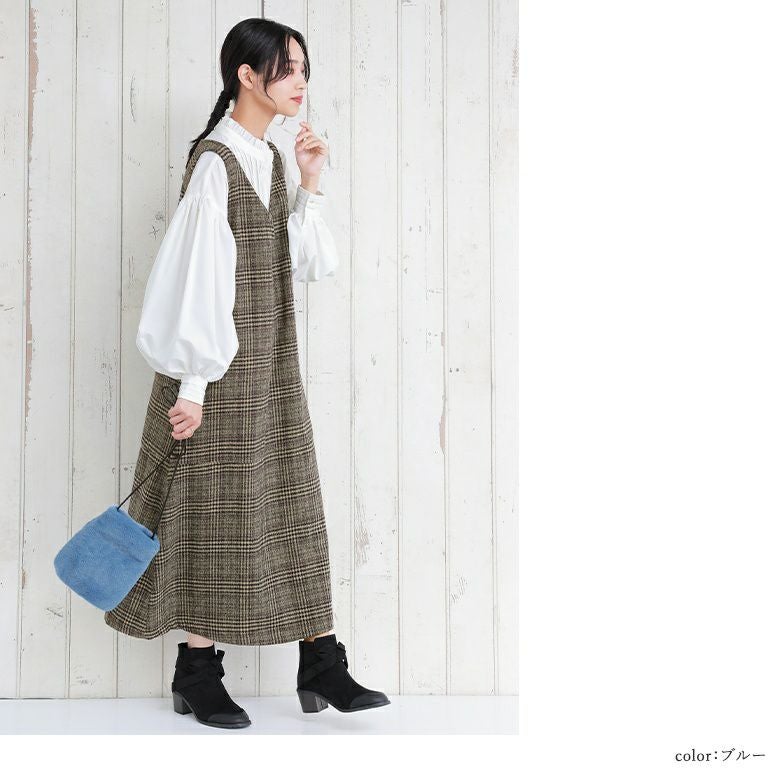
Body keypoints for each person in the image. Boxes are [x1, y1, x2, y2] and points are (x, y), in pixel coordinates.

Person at [103, 17, 389, 729]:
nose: (300, 81)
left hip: (270, 364)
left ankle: (320, 658)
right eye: (287, 68)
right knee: (216, 515)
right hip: (217, 373)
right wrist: (193, 388)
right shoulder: (216, 162)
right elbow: (197, 282)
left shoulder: (265, 157)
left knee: (294, 504)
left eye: (303, 68)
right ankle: (197, 671)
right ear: (247, 75)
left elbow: (304, 263)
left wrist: (310, 180)